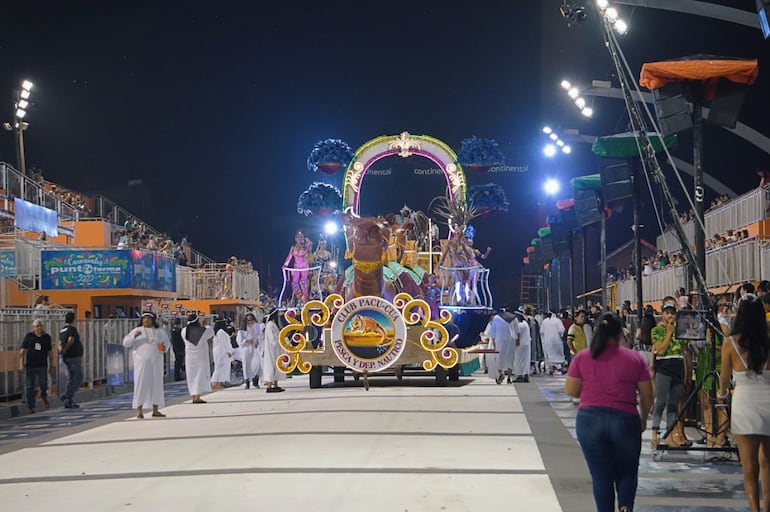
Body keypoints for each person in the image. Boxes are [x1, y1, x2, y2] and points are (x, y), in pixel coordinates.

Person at [565, 312, 653, 512]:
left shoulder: (583, 357)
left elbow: (571, 390)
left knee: (601, 476)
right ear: (620, 332)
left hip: (589, 421)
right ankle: (625, 507)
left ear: (597, 330)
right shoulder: (634, 358)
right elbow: (647, 394)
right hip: (625, 420)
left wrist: (591, 389)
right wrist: (644, 418)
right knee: (627, 472)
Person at [719, 294, 770, 512]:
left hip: (744, 403)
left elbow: (724, 377)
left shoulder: (730, 343)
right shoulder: (768, 341)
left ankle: (755, 509)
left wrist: (722, 393)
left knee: (749, 466)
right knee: (768, 463)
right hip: (768, 401)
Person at [650, 298, 691, 448]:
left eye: (672, 313)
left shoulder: (680, 331)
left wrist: (686, 374)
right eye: (667, 313)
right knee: (660, 403)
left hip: (678, 370)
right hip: (664, 370)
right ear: (662, 314)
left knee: (673, 405)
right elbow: (660, 349)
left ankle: (669, 434)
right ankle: (655, 433)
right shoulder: (657, 330)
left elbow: (685, 352)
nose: (670, 316)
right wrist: (668, 332)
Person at [122, 312, 169, 419]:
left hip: (156, 362)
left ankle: (155, 410)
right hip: (141, 364)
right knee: (141, 384)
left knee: (156, 385)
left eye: (148, 318)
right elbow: (126, 343)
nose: (146, 320)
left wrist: (164, 347)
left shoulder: (160, 331)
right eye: (144, 318)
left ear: (153, 320)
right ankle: (139, 410)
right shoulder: (136, 331)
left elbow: (167, 343)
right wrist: (134, 337)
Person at [18, 319, 53, 413]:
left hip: (42, 365)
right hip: (30, 366)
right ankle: (31, 406)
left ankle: (44, 396)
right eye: (37, 326)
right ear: (34, 327)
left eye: (41, 326)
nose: (39, 328)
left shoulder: (46, 337)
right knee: (30, 386)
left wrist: (52, 365)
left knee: (43, 384)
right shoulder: (29, 337)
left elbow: (50, 352)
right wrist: (21, 364)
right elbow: (22, 351)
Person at [182, 313, 213, 403]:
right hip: (200, 356)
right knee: (199, 376)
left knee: (191, 376)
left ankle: (193, 395)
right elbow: (211, 333)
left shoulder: (184, 331)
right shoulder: (203, 331)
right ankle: (197, 397)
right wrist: (205, 324)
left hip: (189, 357)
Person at [58, 312, 84, 409]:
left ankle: (68, 400)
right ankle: (67, 396)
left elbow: (60, 342)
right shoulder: (72, 329)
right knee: (78, 377)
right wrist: (66, 349)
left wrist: (61, 351)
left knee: (71, 378)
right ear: (73, 319)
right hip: (73, 357)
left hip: (67, 357)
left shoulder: (62, 330)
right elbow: (71, 340)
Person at [262, 308, 285, 393]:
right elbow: (272, 339)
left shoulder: (274, 324)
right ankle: (269, 385)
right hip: (272, 349)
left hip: (276, 349)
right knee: (271, 366)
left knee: (276, 366)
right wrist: (279, 339)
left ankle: (275, 384)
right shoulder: (270, 325)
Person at [237, 312, 261, 389]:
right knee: (246, 365)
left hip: (255, 348)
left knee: (257, 364)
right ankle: (247, 381)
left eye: (251, 320)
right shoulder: (242, 330)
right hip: (246, 349)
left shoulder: (256, 326)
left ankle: (255, 380)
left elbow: (260, 336)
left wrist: (257, 341)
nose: (250, 322)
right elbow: (239, 340)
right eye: (248, 320)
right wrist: (246, 341)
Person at [211, 319, 234, 388]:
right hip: (221, 351)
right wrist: (228, 351)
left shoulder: (220, 332)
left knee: (223, 367)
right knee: (219, 366)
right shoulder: (220, 332)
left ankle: (221, 381)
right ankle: (214, 382)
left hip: (221, 351)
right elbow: (223, 343)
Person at [511, 310, 531, 382]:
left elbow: (516, 335)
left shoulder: (519, 325)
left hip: (520, 345)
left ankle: (520, 375)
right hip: (526, 344)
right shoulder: (525, 323)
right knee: (525, 361)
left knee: (518, 361)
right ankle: (526, 375)